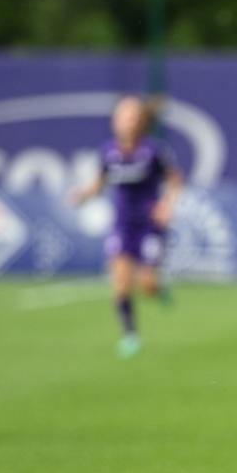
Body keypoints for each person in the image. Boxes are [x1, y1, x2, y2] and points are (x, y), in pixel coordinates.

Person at [72, 95, 185, 358]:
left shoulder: (154, 151)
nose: (128, 121)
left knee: (147, 285)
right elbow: (100, 183)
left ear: (142, 121)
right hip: (123, 224)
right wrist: (83, 195)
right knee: (121, 282)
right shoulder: (108, 152)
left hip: (149, 225)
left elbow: (175, 180)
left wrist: (167, 205)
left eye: (133, 116)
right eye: (123, 116)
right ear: (115, 121)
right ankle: (130, 336)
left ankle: (158, 287)